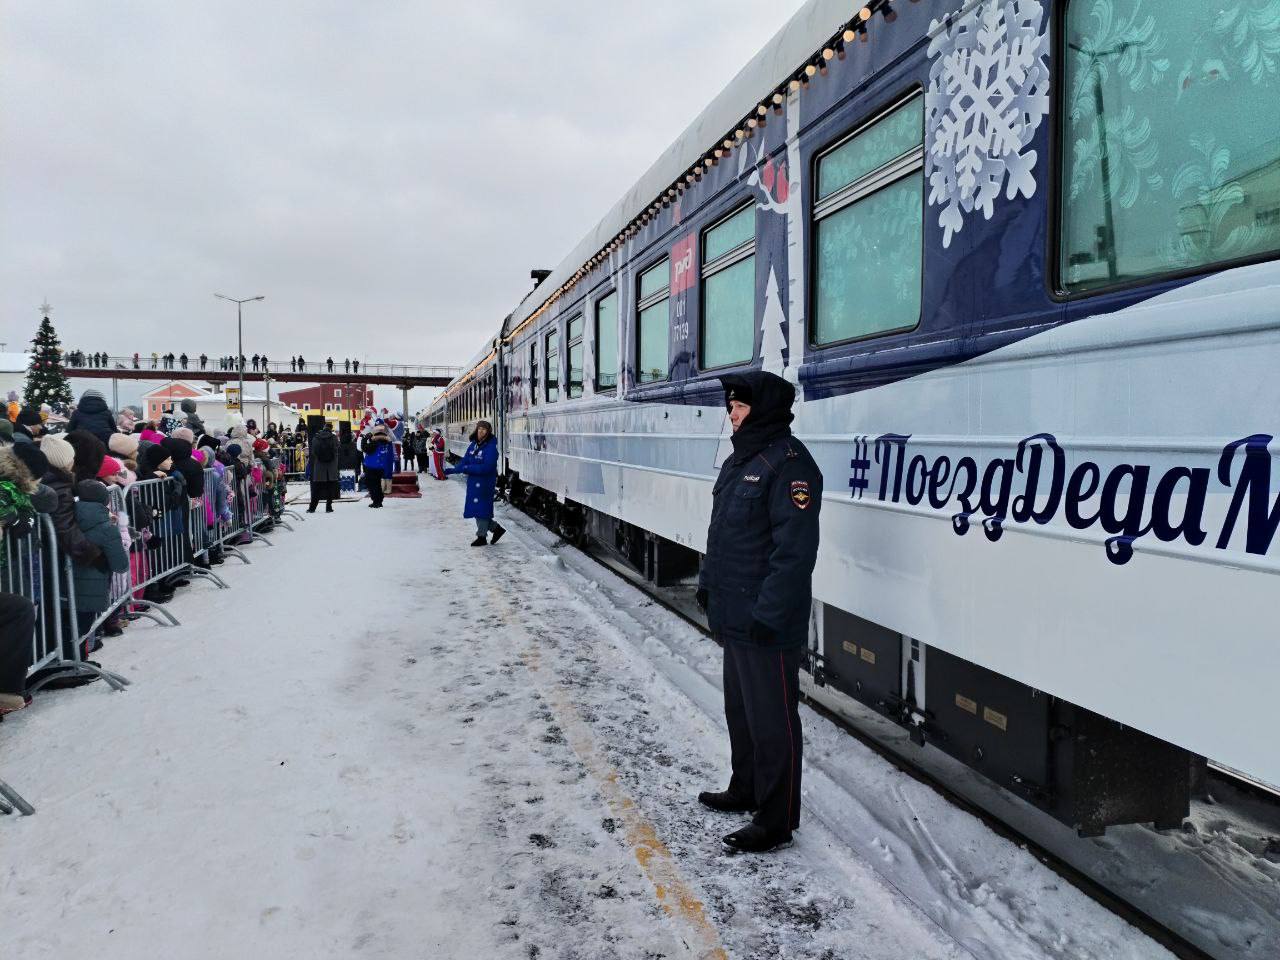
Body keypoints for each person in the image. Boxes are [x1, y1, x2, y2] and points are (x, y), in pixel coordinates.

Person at [695, 371, 822, 855]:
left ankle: (775, 818)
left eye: (740, 406)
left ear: (764, 409)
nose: (732, 412)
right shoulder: (740, 461)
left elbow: (794, 555)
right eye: (730, 405)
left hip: (765, 623)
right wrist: (708, 586)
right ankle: (745, 787)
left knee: (774, 723)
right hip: (735, 615)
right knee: (741, 711)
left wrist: (766, 615)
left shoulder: (790, 466)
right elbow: (721, 534)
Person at [71, 479, 130, 655]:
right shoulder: (106, 528)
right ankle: (79, 661)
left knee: (68, 628)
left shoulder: (67, 522)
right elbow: (121, 565)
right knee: (83, 627)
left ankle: (75, 659)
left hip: (66, 586)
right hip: (93, 588)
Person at [444, 420, 504, 545]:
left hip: (485, 484)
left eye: (484, 429)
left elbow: (487, 467)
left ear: (488, 432)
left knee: (480, 509)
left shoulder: (491, 448)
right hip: (473, 483)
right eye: (479, 429)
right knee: (477, 509)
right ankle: (496, 529)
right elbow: (465, 461)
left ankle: (481, 537)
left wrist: (467, 469)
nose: (481, 431)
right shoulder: (473, 445)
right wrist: (453, 470)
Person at [307, 422, 340, 513]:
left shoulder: (316, 437)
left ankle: (312, 508)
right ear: (331, 429)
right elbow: (336, 449)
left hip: (319, 465)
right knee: (330, 487)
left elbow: (313, 451)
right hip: (331, 466)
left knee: (317, 488)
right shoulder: (334, 438)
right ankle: (328, 507)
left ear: (324, 427)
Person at [361, 427, 394, 508]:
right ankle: (379, 501)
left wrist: (364, 439)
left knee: (372, 485)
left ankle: (376, 501)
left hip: (371, 467)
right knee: (377, 485)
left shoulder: (375, 444)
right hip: (381, 467)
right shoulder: (387, 444)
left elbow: (364, 448)